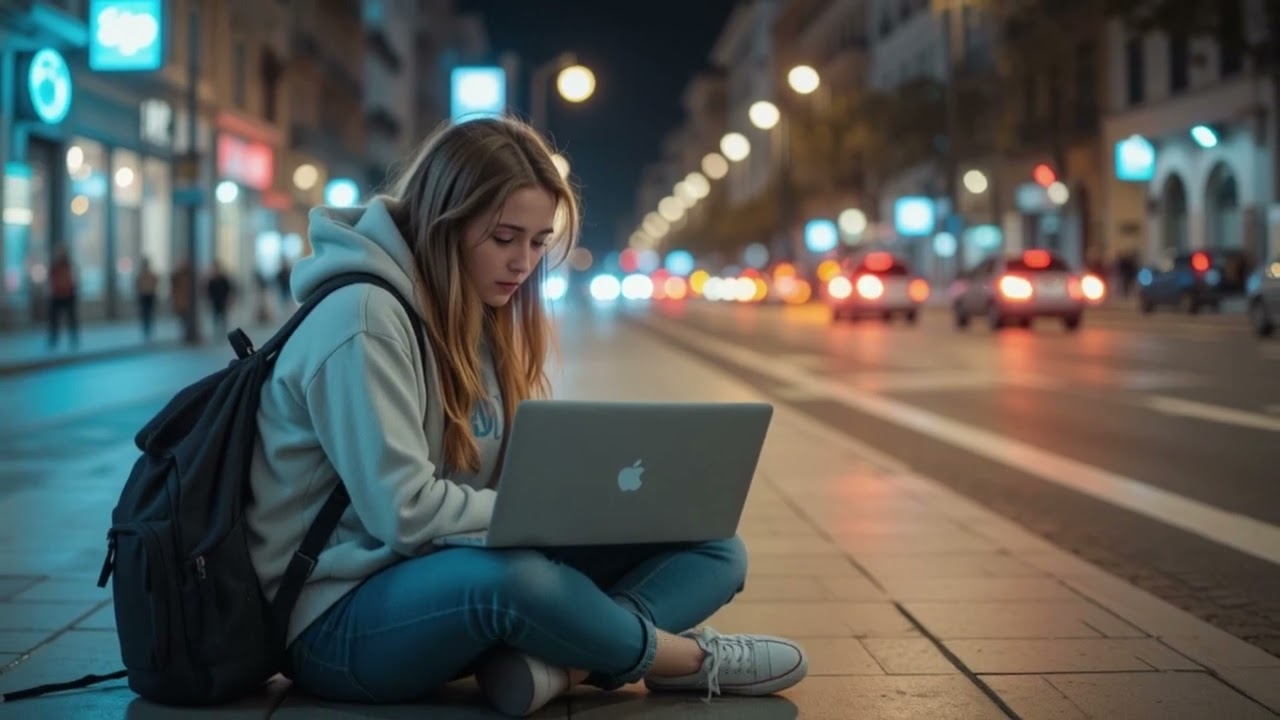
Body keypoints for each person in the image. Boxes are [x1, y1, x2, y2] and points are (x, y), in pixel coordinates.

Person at [246, 117, 808, 717]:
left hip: (440, 578)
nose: (522, 263)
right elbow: (404, 511)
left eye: (538, 243)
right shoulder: (363, 318)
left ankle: (562, 666)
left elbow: (498, 485)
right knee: (518, 581)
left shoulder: (478, 311)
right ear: (444, 223)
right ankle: (684, 660)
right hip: (333, 622)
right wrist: (542, 519)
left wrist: (583, 506)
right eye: (504, 238)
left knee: (715, 546)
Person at [135, 256, 159, 340]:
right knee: (146, 313)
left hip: (148, 295)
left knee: (148, 313)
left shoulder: (147, 274)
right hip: (146, 295)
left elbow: (155, 282)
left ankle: (148, 328)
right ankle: (146, 328)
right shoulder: (143, 275)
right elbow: (138, 285)